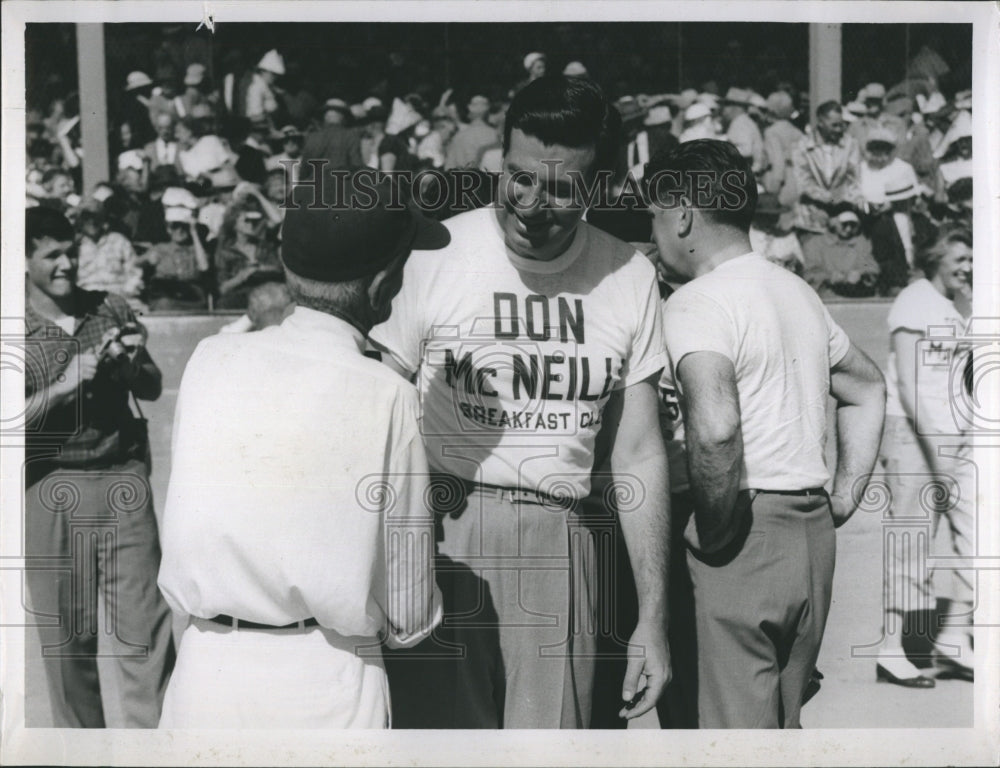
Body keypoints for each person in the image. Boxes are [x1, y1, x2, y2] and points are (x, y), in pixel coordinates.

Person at [371, 75, 672, 730]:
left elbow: (640, 452)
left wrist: (652, 616)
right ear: (499, 160)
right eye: (519, 177)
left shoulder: (630, 273)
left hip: (560, 540)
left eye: (562, 189)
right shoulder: (437, 252)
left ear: (599, 186)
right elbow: (377, 404)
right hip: (441, 531)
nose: (533, 204)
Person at [156, 178, 449, 728]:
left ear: (288, 269)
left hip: (207, 670)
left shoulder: (210, 358)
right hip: (328, 682)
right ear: (385, 282)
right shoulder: (388, 393)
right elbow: (410, 611)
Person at [644, 139, 886, 728]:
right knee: (778, 732)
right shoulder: (794, 289)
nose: (652, 233)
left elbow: (718, 429)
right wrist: (845, 495)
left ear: (682, 214)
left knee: (722, 742)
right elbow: (868, 388)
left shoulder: (697, 302)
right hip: (809, 532)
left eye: (654, 216)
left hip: (739, 529)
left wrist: (716, 529)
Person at [23, 207, 175, 727]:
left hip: (120, 478)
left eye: (71, 251)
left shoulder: (109, 307)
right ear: (23, 261)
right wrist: (65, 385)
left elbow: (151, 385)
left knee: (146, 638)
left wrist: (131, 363)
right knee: (67, 646)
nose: (66, 264)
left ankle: (153, 757)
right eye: (51, 255)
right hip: (48, 484)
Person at [874, 225, 974, 687]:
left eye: (973, 260)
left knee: (978, 536)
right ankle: (891, 650)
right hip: (913, 434)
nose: (968, 268)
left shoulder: (960, 305)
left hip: (957, 434)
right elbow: (912, 386)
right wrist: (938, 454)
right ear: (936, 258)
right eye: (961, 259)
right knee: (911, 541)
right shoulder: (914, 299)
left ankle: (954, 640)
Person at [793, 101, 865, 291]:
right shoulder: (802, 145)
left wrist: (842, 201)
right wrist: (826, 198)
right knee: (813, 269)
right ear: (821, 123)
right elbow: (803, 181)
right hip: (811, 213)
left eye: (841, 123)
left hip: (842, 211)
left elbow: (854, 178)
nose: (840, 128)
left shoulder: (850, 144)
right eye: (834, 124)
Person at [761, 91, 804, 232]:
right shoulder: (798, 132)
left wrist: (773, 190)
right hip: (799, 181)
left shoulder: (771, 132)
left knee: (779, 229)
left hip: (783, 185)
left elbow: (777, 163)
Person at [300, 97, 364, 176]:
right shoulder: (351, 136)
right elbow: (357, 166)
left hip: (317, 185)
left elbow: (304, 171)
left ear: (325, 117)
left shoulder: (311, 137)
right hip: (341, 185)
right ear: (343, 117)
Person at [719, 88, 766, 175]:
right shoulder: (743, 121)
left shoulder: (740, 123)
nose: (724, 109)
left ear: (737, 107)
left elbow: (746, 150)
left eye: (727, 104)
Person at [445, 93, 498, 170]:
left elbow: (449, 168)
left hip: (463, 180)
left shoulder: (459, 136)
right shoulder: (496, 135)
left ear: (469, 113)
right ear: (488, 113)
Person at [244, 49, 284, 124]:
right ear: (263, 71)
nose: (275, 78)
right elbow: (254, 116)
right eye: (273, 74)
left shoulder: (266, 86)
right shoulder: (257, 87)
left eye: (276, 75)